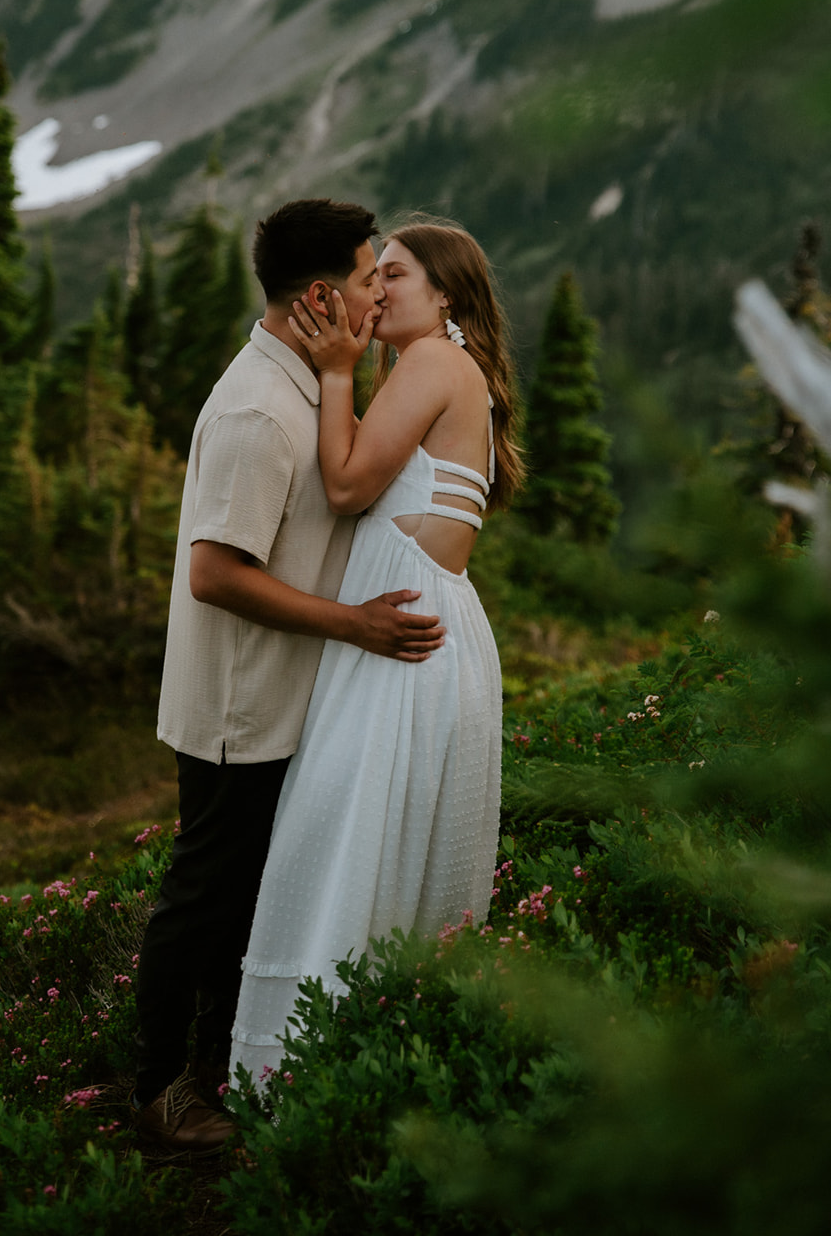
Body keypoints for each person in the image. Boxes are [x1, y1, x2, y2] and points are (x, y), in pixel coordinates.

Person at [133, 199, 449, 1156]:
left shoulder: (310, 381)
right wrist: (354, 625)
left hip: (291, 692)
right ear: (320, 295)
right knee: (205, 896)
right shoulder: (257, 413)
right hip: (241, 703)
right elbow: (215, 573)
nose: (376, 295)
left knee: (252, 894)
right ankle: (156, 1095)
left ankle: (226, 1072)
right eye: (365, 280)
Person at [230, 219, 523, 1085]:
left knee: (348, 832)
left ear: (444, 297)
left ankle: (310, 1073)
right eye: (377, 274)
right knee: (376, 835)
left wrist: (331, 375)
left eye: (395, 275)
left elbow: (349, 484)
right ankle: (368, 1067)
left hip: (402, 631)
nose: (377, 290)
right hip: (417, 624)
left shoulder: (432, 361)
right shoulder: (435, 369)